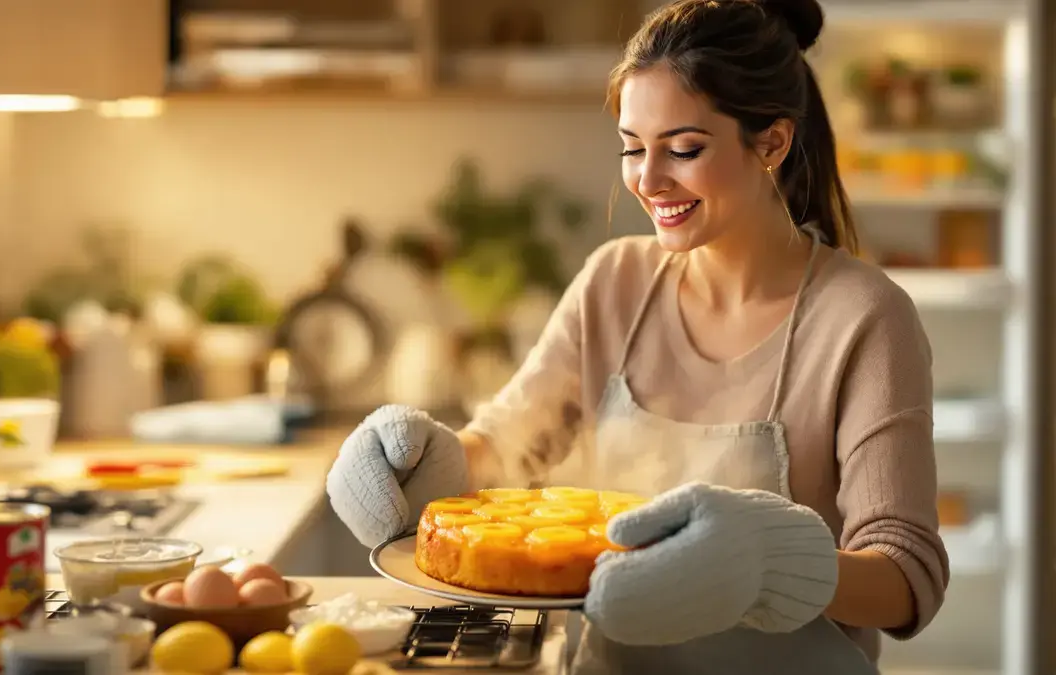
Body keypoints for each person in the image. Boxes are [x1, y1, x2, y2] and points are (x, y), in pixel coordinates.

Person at [326, 0, 950, 672]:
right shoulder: (615, 281)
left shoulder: (864, 316)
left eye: (683, 149)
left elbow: (906, 575)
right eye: (632, 148)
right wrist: (424, 466)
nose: (649, 182)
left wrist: (768, 561)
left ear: (771, 142)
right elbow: (506, 445)